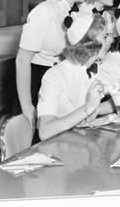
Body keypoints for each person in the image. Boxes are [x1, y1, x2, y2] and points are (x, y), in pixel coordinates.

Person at [15, 0, 88, 142]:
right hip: (37, 80)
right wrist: (27, 107)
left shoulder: (72, 11)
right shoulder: (45, 11)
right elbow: (22, 60)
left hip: (57, 79)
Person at [37, 12, 113, 140]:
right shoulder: (53, 76)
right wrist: (87, 109)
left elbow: (99, 106)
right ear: (91, 43)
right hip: (63, 147)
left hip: (86, 140)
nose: (110, 40)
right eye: (105, 37)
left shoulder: (94, 68)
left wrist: (96, 108)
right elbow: (44, 131)